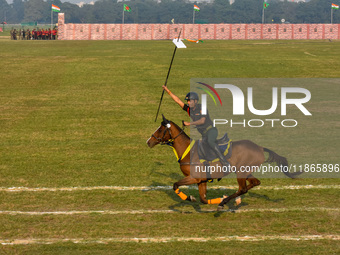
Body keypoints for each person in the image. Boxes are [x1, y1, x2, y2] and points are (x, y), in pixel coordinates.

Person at [162, 85, 229, 167]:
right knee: (202, 150)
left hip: (211, 131)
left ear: (195, 101)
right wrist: (167, 90)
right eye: (188, 101)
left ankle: (225, 163)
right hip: (204, 134)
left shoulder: (202, 107)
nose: (188, 103)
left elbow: (202, 120)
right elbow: (178, 101)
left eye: (190, 101)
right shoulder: (188, 109)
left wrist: (189, 123)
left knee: (210, 142)